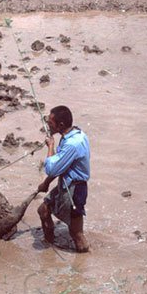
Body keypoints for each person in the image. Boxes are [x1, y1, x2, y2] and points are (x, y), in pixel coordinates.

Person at [37, 105, 90, 253]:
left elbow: (52, 168)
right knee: (43, 211)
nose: (47, 124)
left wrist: (50, 146)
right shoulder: (73, 135)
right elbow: (61, 165)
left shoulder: (72, 144)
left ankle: (83, 262)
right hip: (66, 184)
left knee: (77, 234)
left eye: (50, 122)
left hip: (74, 190)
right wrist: (46, 183)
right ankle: (49, 246)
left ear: (60, 125)